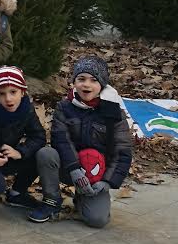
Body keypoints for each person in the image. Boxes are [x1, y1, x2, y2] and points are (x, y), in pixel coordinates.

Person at [31, 57, 133, 227]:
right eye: (81, 79)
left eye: (94, 80)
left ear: (102, 85)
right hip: (70, 168)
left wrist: (107, 181)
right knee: (46, 154)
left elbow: (123, 150)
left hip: (97, 174)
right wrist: (74, 169)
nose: (86, 85)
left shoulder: (114, 113)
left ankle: (83, 198)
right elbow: (60, 140)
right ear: (74, 82)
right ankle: (52, 200)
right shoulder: (64, 107)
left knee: (97, 220)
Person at [0, 66, 47, 211]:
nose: (8, 98)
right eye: (2, 94)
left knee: (39, 155)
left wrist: (20, 152)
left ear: (22, 92)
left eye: (13, 92)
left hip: (9, 154)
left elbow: (39, 136)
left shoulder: (26, 109)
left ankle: (17, 193)